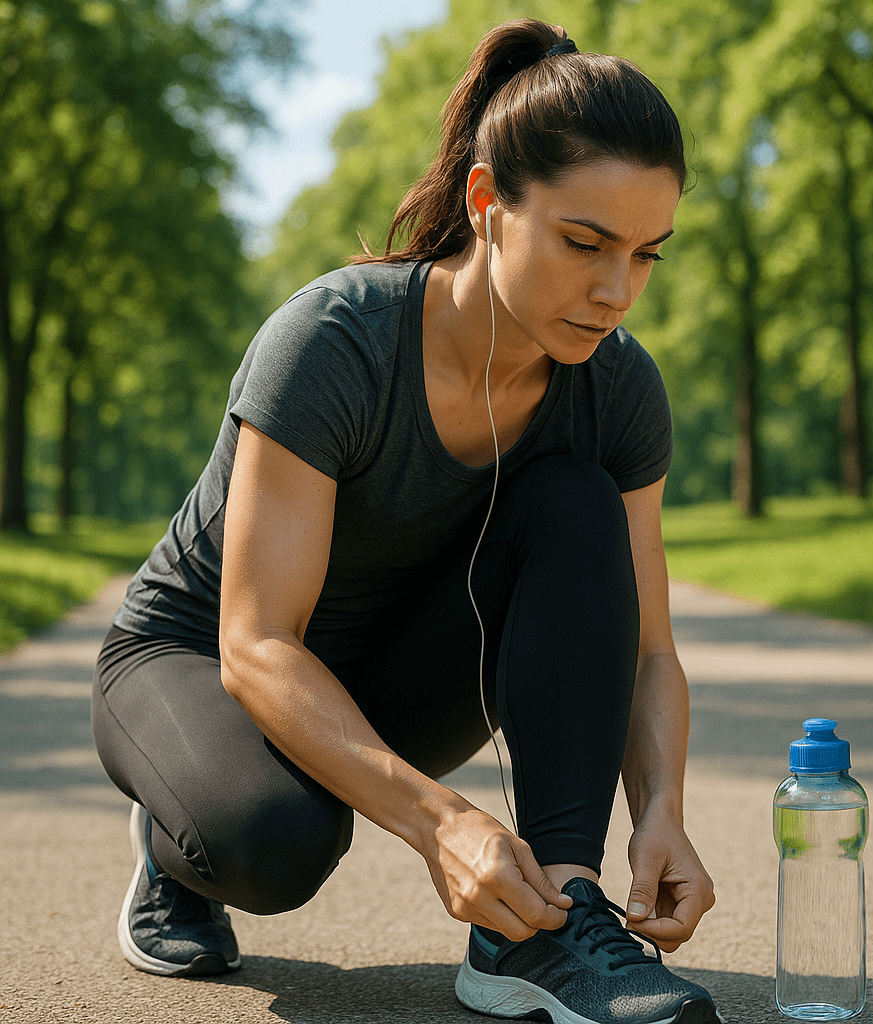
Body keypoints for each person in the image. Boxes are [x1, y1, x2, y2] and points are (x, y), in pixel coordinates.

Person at [91, 18, 721, 1024]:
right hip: (198, 660)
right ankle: (175, 844)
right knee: (275, 842)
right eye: (584, 242)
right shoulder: (335, 344)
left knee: (575, 499)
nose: (616, 292)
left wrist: (662, 814)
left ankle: (550, 925)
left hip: (395, 672)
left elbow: (647, 649)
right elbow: (255, 644)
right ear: (487, 202)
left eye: (647, 254)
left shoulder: (617, 392)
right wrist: (443, 824)